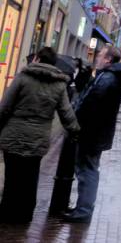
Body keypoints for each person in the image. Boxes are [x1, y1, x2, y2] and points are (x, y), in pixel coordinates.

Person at [0, 47, 80, 223]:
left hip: (14, 133)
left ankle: (7, 213)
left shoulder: (23, 78)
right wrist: (75, 130)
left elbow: (5, 106)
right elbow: (66, 113)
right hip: (39, 137)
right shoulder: (59, 85)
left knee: (13, 175)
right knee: (31, 176)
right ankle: (25, 214)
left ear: (36, 58)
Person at [63, 45, 121, 223]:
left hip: (91, 133)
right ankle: (82, 208)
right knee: (88, 169)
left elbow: (91, 103)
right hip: (96, 133)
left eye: (100, 55)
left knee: (87, 170)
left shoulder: (107, 78)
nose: (97, 58)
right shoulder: (108, 76)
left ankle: (83, 211)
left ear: (108, 59)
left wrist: (77, 122)